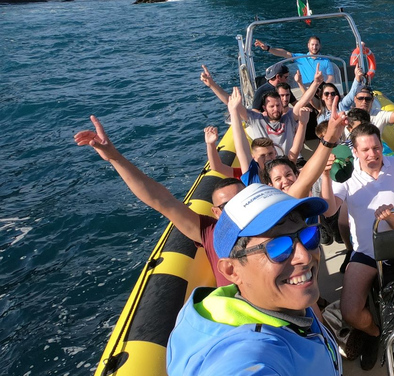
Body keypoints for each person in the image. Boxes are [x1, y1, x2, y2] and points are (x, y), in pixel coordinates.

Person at [166, 183, 341, 376]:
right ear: (232, 271)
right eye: (277, 247)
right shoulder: (247, 356)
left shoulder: (283, 304)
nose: (305, 256)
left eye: (309, 236)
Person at [74, 116, 245, 287]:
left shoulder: (270, 225)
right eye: (228, 205)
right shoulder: (210, 233)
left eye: (243, 199)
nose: (237, 208)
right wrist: (114, 157)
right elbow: (161, 200)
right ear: (216, 213)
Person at [324, 123, 394, 370]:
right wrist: (324, 176)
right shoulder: (346, 177)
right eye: (365, 150)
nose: (372, 154)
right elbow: (329, 209)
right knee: (350, 311)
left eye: (376, 147)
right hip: (366, 253)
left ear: (381, 146)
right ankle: (375, 333)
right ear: (355, 153)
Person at [254, 35, 335, 85]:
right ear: (308, 45)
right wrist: (268, 48)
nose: (314, 47)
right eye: (312, 45)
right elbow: (284, 53)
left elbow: (331, 77)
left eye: (316, 45)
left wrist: (323, 88)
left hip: (320, 89)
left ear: (320, 46)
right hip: (304, 88)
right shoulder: (300, 58)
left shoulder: (326, 61)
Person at [204, 125, 277, 179]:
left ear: (275, 153)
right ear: (254, 158)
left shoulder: (285, 169)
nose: (268, 159)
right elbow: (217, 167)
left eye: (270, 154)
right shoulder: (247, 174)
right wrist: (210, 144)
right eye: (262, 156)